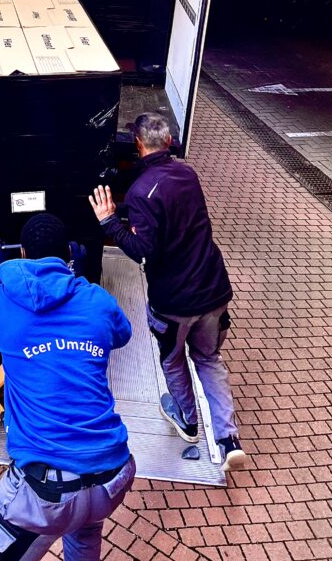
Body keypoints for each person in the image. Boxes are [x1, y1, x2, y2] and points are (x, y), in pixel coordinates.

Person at [0, 213, 136, 561]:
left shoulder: (3, 302)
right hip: (111, 477)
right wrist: (82, 278)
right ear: (67, 254)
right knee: (84, 531)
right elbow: (121, 334)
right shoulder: (96, 299)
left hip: (46, 492)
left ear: (24, 253)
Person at [90, 111, 246, 472]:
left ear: (139, 145)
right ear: (170, 143)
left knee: (172, 358)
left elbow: (142, 249)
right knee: (208, 360)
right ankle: (227, 440)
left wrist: (109, 221)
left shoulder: (144, 192)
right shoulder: (187, 174)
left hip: (174, 301)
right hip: (213, 290)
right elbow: (174, 214)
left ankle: (188, 420)